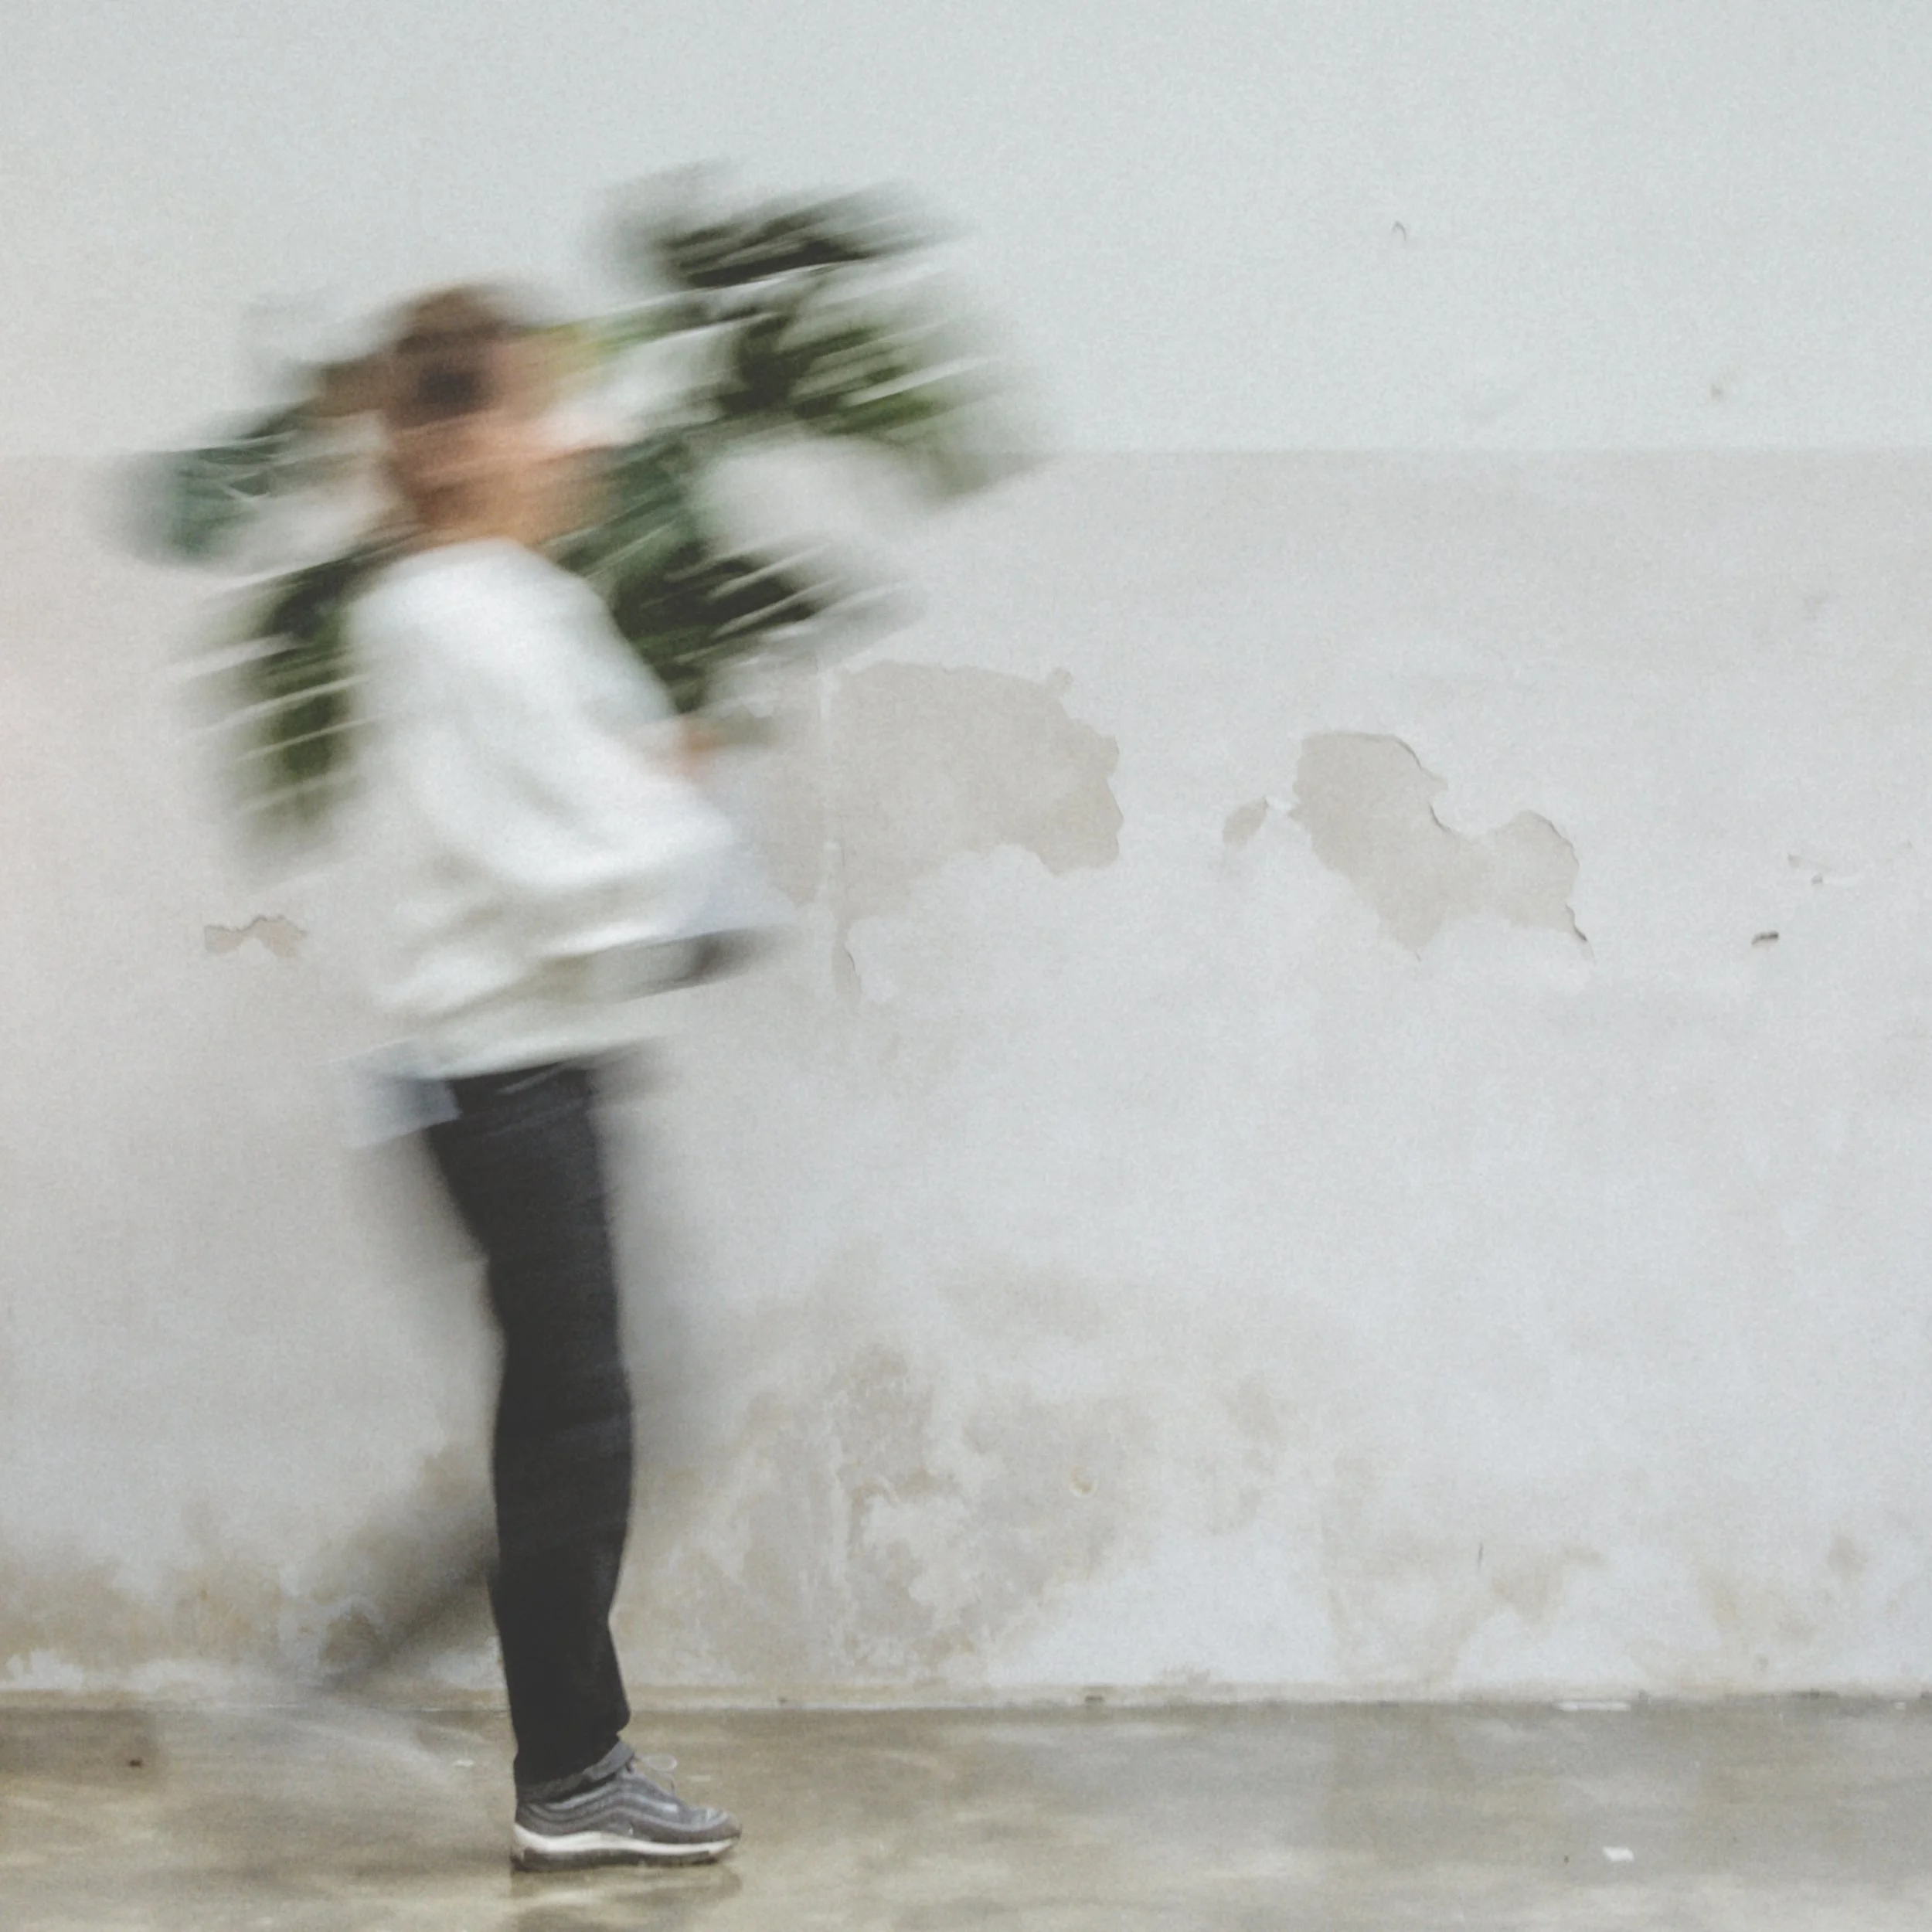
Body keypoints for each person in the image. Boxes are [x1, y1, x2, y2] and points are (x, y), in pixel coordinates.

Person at [342, 285, 741, 1870]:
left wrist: (660, 803)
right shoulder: (451, 613)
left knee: (573, 1427)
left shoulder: (504, 600)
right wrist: (673, 847)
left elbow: (592, 796)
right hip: (495, 1077)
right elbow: (542, 850)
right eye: (546, 406)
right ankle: (541, 1758)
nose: (584, 435)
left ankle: (528, 1743)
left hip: (528, 1067)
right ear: (462, 439)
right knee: (577, 1433)